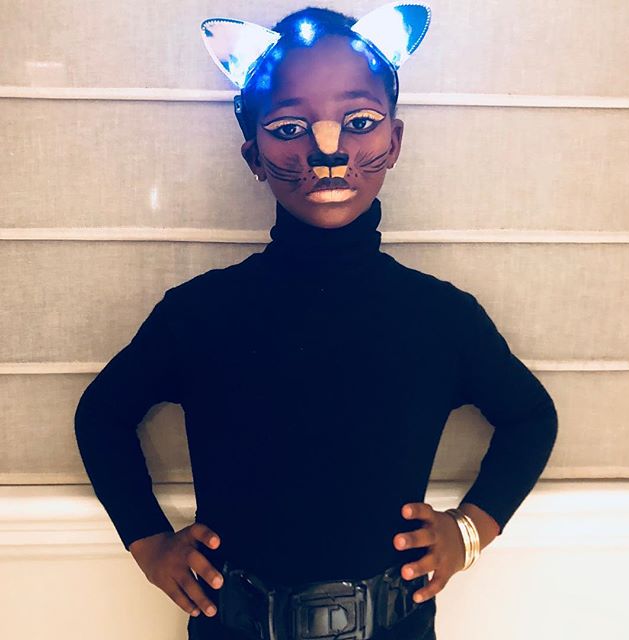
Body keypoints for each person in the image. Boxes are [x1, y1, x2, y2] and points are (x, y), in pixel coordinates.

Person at [74, 4, 559, 640]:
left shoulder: (441, 317)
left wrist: (469, 531)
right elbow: (102, 416)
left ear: (394, 141)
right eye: (288, 127)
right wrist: (149, 544)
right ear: (253, 153)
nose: (327, 149)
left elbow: (531, 418)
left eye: (358, 122)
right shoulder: (199, 314)